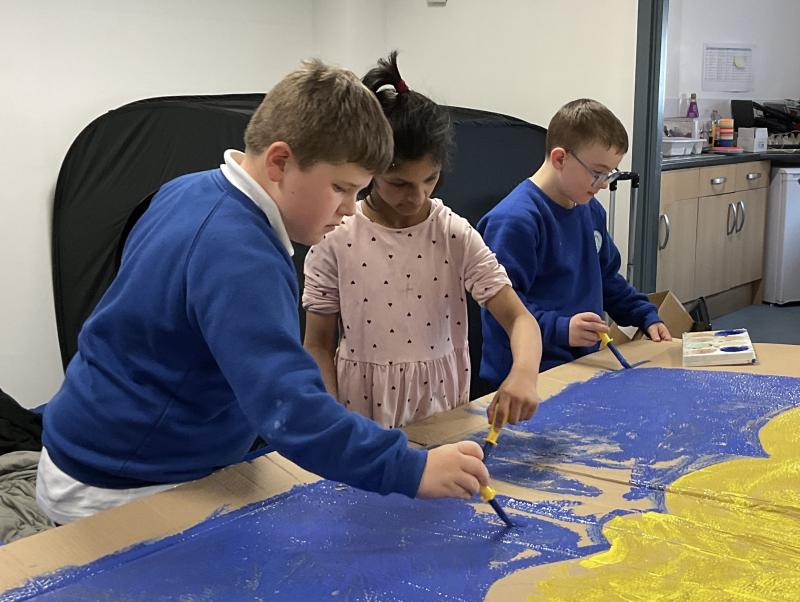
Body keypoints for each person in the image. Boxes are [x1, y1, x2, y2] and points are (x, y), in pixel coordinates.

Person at [37, 59, 491, 525]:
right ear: (279, 162)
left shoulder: (189, 189)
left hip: (97, 439)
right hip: (117, 478)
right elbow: (288, 410)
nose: (349, 209)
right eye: (340, 188)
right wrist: (413, 468)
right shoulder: (239, 253)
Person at [302, 52, 541, 430]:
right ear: (369, 169)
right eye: (399, 183)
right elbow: (317, 344)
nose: (416, 196)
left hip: (443, 413)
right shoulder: (336, 238)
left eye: (429, 180)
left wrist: (524, 373)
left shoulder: (452, 234)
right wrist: (329, 417)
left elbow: (520, 319)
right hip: (362, 418)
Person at [478, 98, 671, 378]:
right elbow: (503, 311)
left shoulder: (589, 209)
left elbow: (606, 279)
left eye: (609, 174)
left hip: (583, 363)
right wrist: (561, 329)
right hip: (526, 375)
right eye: (597, 173)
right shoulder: (514, 221)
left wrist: (644, 315)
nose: (603, 184)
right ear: (560, 159)